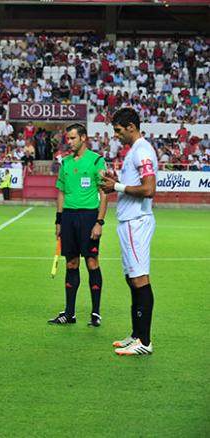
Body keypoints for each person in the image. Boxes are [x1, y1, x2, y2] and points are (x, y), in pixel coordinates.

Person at [101, 108, 157, 356]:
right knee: (131, 278)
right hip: (128, 222)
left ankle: (144, 341)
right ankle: (136, 335)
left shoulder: (143, 150)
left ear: (131, 127)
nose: (116, 136)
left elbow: (149, 189)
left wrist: (117, 186)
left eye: (119, 130)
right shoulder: (134, 151)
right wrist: (118, 183)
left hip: (137, 221)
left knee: (139, 278)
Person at [48, 124, 107, 327]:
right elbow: (61, 192)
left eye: (73, 138)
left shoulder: (97, 161)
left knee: (91, 262)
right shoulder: (65, 163)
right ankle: (70, 313)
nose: (69, 142)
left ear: (83, 138)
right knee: (71, 263)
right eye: (68, 139)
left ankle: (96, 313)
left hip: (89, 216)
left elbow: (104, 193)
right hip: (68, 218)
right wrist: (58, 220)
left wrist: (99, 222)